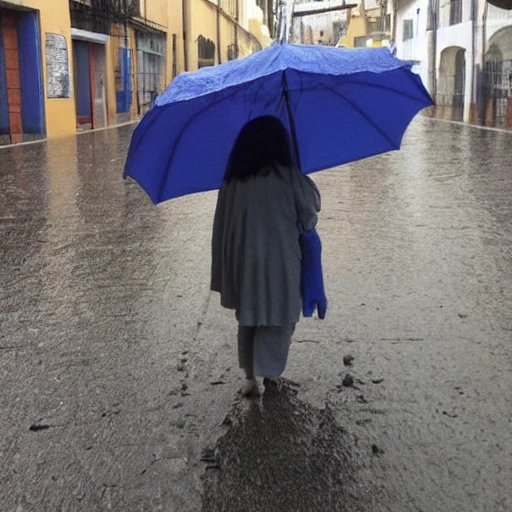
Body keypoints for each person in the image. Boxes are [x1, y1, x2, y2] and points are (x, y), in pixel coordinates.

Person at [210, 116, 321, 397]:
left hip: (243, 260)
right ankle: (270, 371)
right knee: (280, 315)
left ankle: (249, 378)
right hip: (280, 261)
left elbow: (223, 221)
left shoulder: (233, 180)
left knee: (248, 316)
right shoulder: (289, 176)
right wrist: (303, 180)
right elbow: (309, 217)